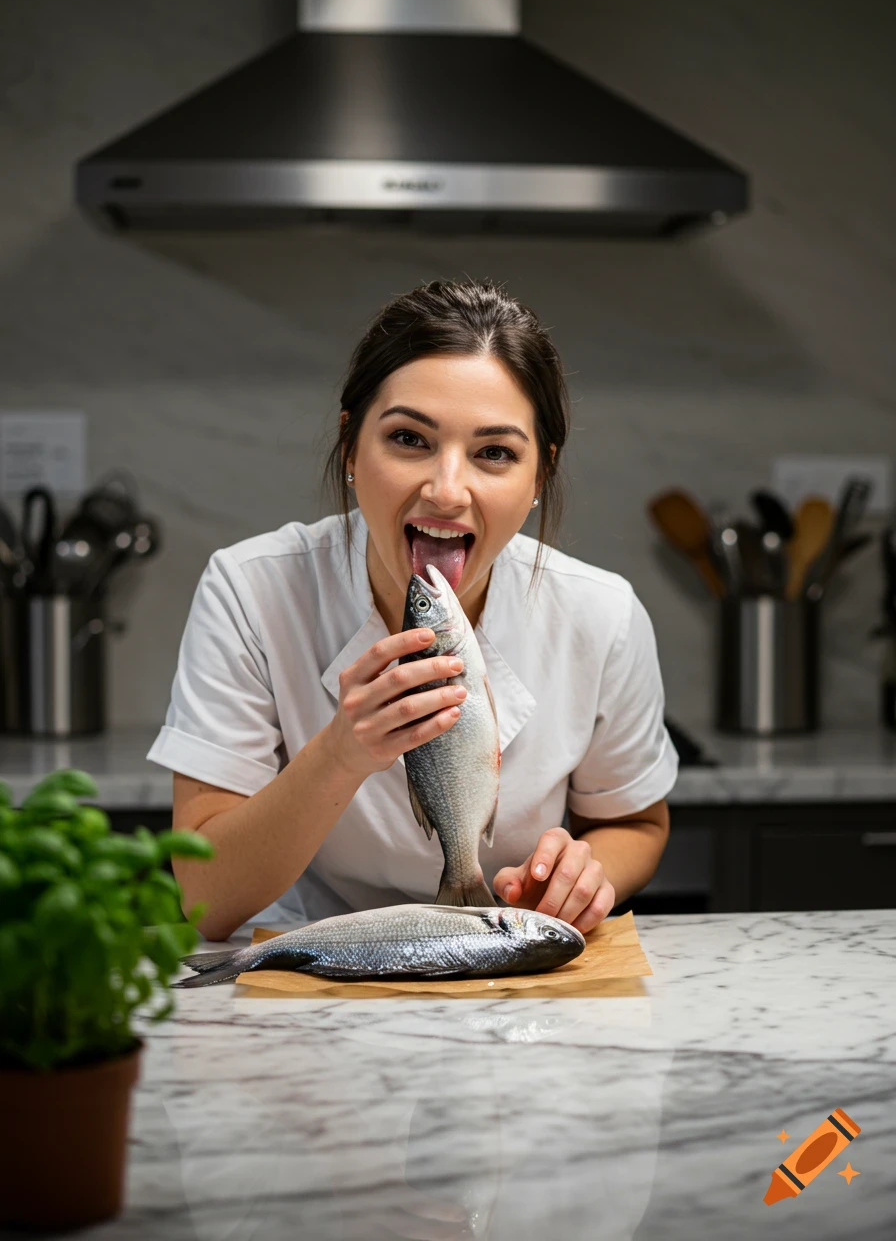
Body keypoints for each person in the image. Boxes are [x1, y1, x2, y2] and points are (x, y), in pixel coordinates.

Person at [147, 279, 678, 941]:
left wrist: (583, 873)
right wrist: (341, 752)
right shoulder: (251, 591)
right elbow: (205, 896)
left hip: (506, 958)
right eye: (409, 439)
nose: (447, 490)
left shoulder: (601, 614)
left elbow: (635, 822)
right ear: (350, 445)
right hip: (312, 967)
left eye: (493, 453)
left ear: (539, 474)